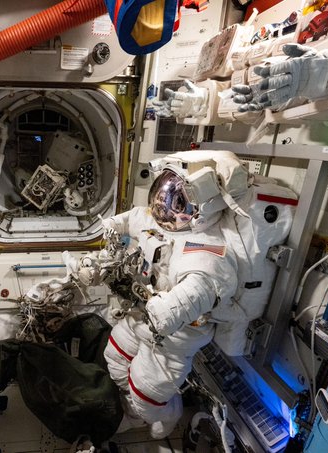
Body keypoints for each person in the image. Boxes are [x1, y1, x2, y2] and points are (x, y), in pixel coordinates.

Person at [100, 151, 249, 439]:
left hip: (174, 340)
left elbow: (196, 292)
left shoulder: (207, 253)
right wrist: (110, 231)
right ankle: (131, 407)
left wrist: (159, 307)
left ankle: (163, 417)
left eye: (176, 200)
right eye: (163, 191)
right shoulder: (154, 220)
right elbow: (129, 220)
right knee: (114, 357)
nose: (162, 204)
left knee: (146, 395)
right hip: (140, 317)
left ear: (200, 209)